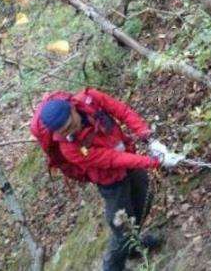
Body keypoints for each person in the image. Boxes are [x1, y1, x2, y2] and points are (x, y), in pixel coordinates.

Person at [31, 88, 182, 270]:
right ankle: (112, 267)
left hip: (129, 160)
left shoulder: (90, 99)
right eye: (64, 132)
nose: (71, 132)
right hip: (111, 182)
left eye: (71, 125)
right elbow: (111, 159)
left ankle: (134, 247)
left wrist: (148, 137)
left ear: (72, 108)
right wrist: (153, 161)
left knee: (144, 201)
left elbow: (122, 111)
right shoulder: (69, 148)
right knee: (122, 229)